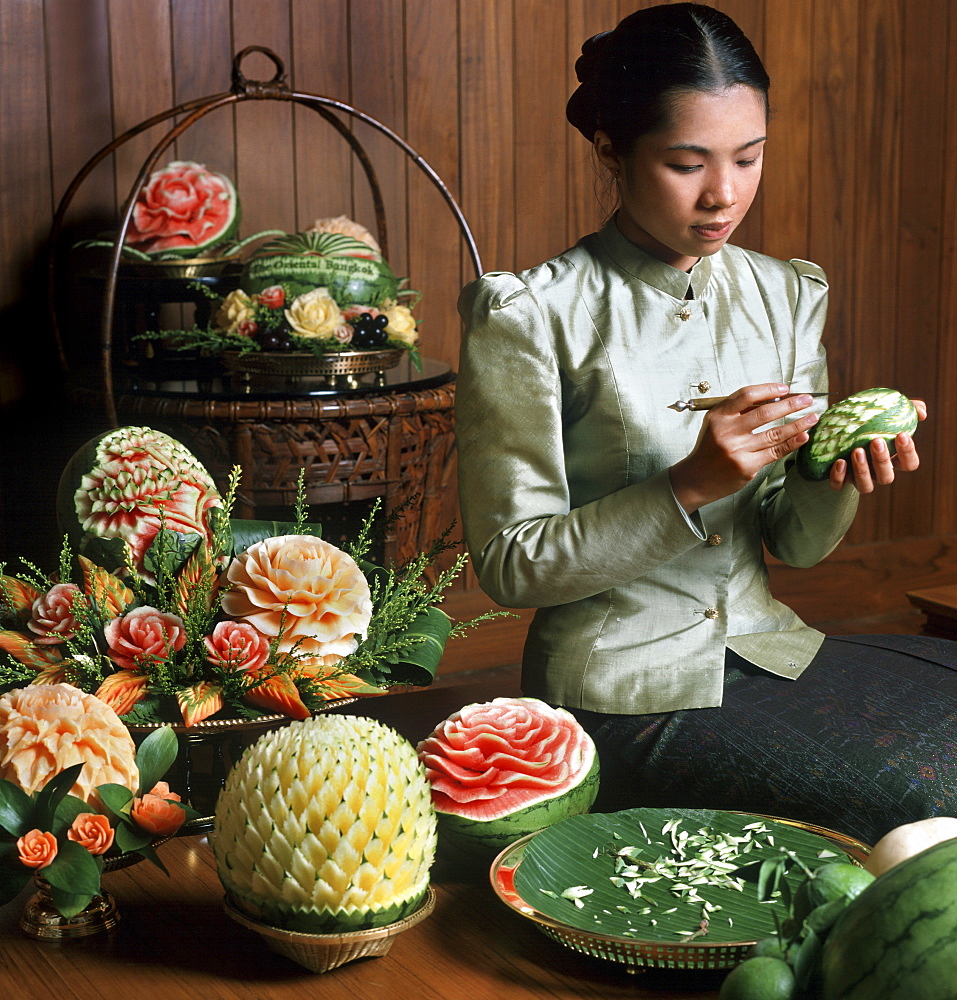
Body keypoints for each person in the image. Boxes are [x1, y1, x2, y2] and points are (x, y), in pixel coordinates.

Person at [455, 2, 955, 845]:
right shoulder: (530, 315)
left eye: (747, 157)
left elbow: (795, 545)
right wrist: (690, 485)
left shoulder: (786, 295)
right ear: (612, 152)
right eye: (686, 163)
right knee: (916, 798)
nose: (723, 194)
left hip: (769, 650)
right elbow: (511, 565)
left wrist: (832, 477)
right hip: (616, 692)